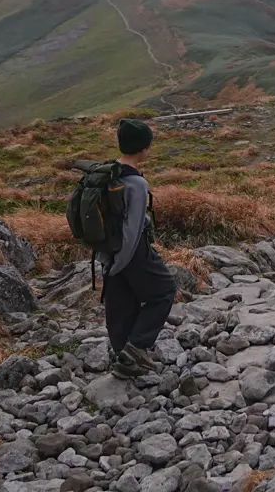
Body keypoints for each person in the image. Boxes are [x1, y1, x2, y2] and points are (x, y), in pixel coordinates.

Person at [101, 118, 178, 378]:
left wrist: (108, 261)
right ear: (144, 149)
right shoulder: (136, 183)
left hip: (108, 251)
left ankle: (123, 357)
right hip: (131, 252)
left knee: (122, 301)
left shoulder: (109, 172)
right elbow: (132, 229)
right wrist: (119, 264)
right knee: (164, 290)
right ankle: (137, 347)